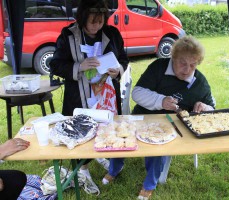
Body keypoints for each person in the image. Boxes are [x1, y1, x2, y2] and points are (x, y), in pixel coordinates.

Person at [102, 35, 215, 199]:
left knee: (158, 145)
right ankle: (114, 168)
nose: (187, 69)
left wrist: (204, 107)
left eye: (193, 65)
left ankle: (149, 185)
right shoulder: (158, 67)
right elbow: (137, 93)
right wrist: (161, 101)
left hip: (170, 124)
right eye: (183, 63)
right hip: (144, 115)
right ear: (173, 57)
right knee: (122, 133)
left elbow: (212, 109)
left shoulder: (200, 82)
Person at [50, 0, 129, 178]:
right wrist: (79, 66)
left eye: (101, 21)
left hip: (106, 92)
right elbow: (55, 65)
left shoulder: (112, 33)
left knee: (107, 126)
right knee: (80, 129)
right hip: (79, 93)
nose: (96, 25)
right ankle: (82, 168)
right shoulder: (68, 34)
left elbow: (124, 58)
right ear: (82, 18)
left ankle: (103, 152)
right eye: (92, 21)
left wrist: (118, 70)